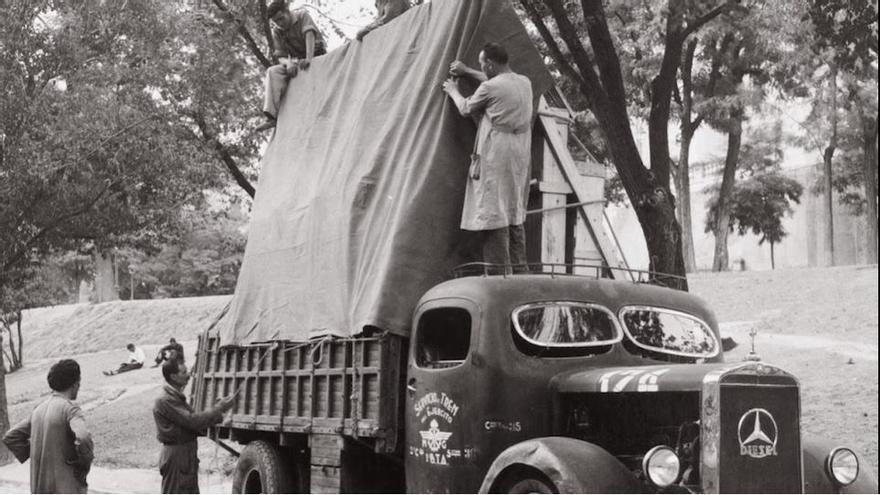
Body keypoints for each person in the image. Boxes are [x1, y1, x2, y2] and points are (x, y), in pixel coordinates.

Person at [442, 42, 534, 270]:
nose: (482, 68)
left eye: (483, 65)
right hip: (520, 151)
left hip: (497, 151)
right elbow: (495, 81)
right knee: (514, 212)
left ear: (490, 65)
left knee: (494, 213)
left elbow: (465, 108)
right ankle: (521, 272)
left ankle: (498, 276)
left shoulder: (490, 88)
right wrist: (468, 71)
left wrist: (453, 90)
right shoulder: (524, 82)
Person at [3, 359, 94, 493]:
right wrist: (83, 466)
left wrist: (41, 450)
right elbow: (83, 437)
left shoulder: (38, 410)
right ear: (75, 384)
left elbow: (11, 437)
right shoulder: (70, 410)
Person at [153, 359, 236, 493]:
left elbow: (192, 424)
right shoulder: (165, 400)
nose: (188, 375)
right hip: (177, 455)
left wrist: (217, 416)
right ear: (173, 377)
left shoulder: (174, 397)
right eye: (184, 372)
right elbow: (192, 421)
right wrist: (219, 408)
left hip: (184, 454)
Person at [257, 0, 327, 132]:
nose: (280, 23)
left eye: (281, 19)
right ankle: (271, 116)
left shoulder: (302, 15)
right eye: (276, 21)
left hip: (316, 55)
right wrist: (288, 63)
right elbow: (280, 56)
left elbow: (309, 36)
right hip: (297, 61)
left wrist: (309, 58)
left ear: (287, 12)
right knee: (273, 71)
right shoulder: (277, 31)